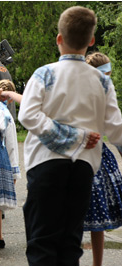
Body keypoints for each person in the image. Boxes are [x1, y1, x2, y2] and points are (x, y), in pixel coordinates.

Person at [18, 6, 121, 265]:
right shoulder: (102, 82)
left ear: (59, 39)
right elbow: (116, 128)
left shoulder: (45, 74)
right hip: (83, 168)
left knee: (42, 240)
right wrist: (77, 137)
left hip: (45, 164)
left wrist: (65, 136)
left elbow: (28, 116)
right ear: (92, 40)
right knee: (70, 242)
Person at [83, 51, 122, 266]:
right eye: (107, 72)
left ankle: (97, 264)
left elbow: (114, 126)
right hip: (87, 155)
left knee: (97, 217)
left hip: (96, 153)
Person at [0, 79, 21, 249]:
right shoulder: (7, 115)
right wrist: (15, 171)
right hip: (1, 158)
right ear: (9, 98)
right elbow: (11, 145)